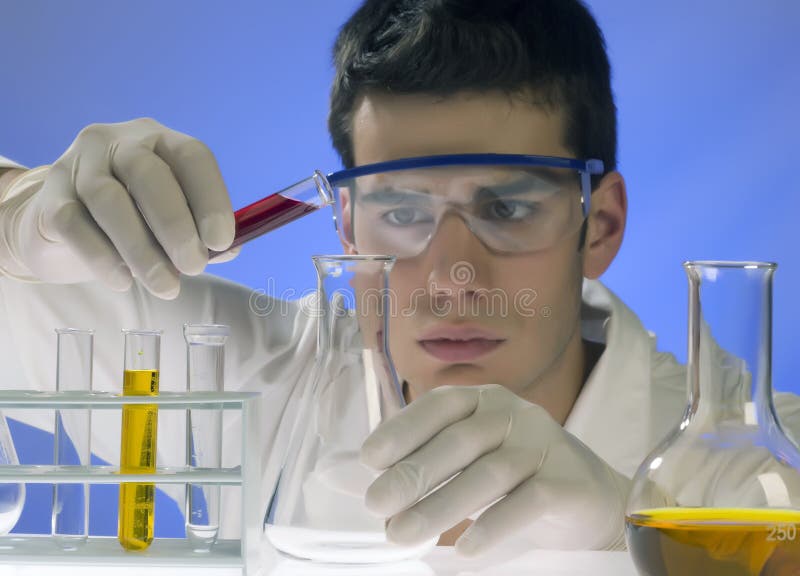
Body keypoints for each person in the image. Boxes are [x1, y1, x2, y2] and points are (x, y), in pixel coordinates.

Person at [0, 0, 798, 559]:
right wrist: (17, 218)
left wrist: (622, 528)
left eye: (509, 207)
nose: (453, 277)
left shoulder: (756, 457)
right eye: (402, 211)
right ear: (345, 227)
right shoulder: (252, 376)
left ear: (603, 225)